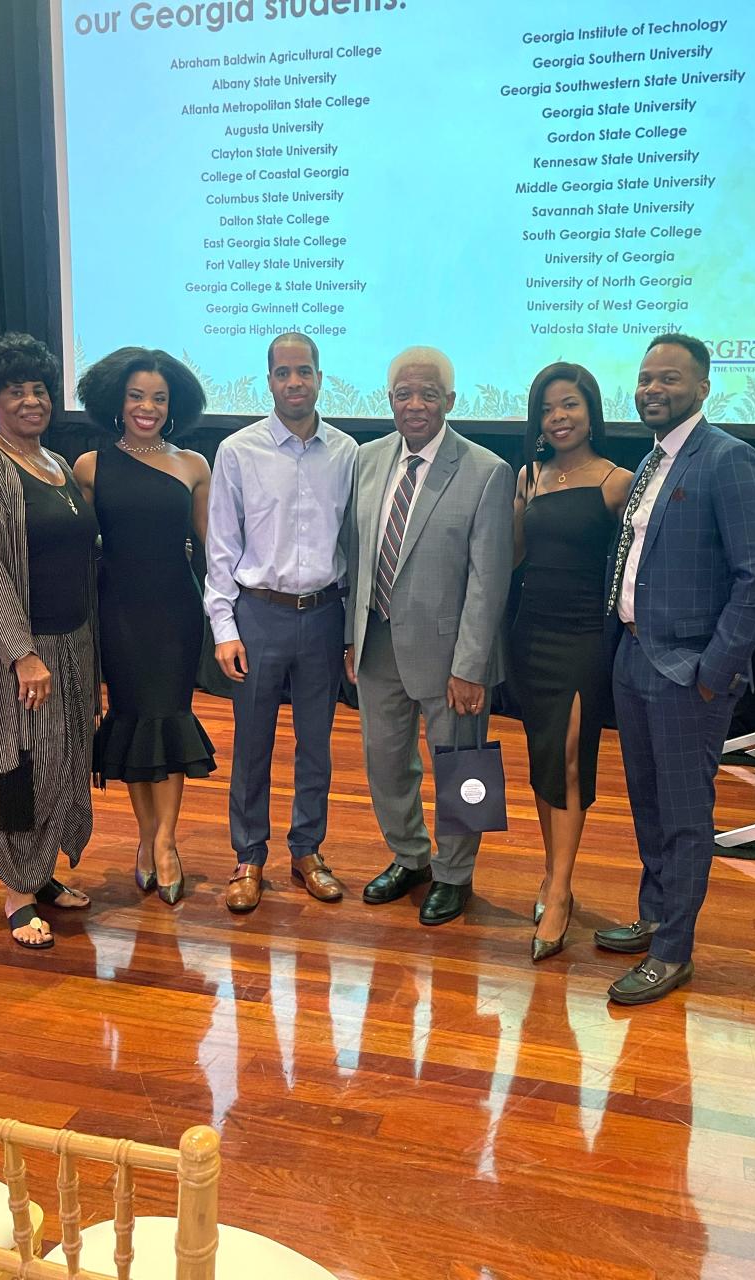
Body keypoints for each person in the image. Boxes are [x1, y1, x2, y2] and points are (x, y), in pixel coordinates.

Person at [597, 333, 755, 1004]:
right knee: (647, 805)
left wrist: (714, 670)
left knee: (684, 813)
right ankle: (654, 915)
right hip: (633, 658)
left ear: (703, 387)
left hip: (686, 673)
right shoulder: (651, 462)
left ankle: (674, 951)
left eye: (668, 379)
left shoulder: (729, 461)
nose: (652, 389)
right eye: (645, 378)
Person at [345, 347, 515, 925]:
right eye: (403, 394)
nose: (415, 405)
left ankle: (456, 873)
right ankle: (410, 856)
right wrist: (351, 636)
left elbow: (489, 581)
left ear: (450, 400)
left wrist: (471, 665)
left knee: (464, 769)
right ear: (389, 399)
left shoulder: (487, 471)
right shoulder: (366, 461)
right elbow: (357, 555)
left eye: (428, 394)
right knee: (385, 762)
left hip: (451, 661)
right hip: (376, 646)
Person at [0, 332, 100, 950]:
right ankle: (15, 888)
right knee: (21, 765)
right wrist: (23, 655)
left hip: (71, 643)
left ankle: (41, 877)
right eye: (17, 392)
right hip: (20, 657)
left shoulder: (56, 466)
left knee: (63, 763)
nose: (32, 401)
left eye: (39, 389)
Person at [204, 332, 357, 913]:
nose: (295, 382)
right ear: (268, 380)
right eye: (283, 373)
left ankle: (307, 850)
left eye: (305, 371)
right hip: (258, 614)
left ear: (321, 376)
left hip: (322, 615)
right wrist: (224, 628)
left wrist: (348, 634)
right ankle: (248, 857)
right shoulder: (238, 451)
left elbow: (354, 545)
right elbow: (221, 547)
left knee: (316, 743)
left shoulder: (347, 453)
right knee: (252, 744)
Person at [74, 348, 215, 906]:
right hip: (119, 612)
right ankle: (142, 838)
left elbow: (213, 549)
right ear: (117, 400)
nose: (147, 408)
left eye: (158, 398)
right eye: (136, 396)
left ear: (172, 405)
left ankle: (167, 842)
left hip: (176, 611)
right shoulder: (88, 466)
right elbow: (79, 552)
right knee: (132, 720)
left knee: (170, 717)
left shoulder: (193, 466)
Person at [510, 363, 632, 961]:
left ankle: (559, 892)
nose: (559, 417)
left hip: (583, 639)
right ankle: (554, 871)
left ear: (591, 413)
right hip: (529, 635)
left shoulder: (617, 481)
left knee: (569, 760)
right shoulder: (528, 476)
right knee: (542, 761)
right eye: (548, 409)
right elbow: (513, 557)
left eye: (570, 406)